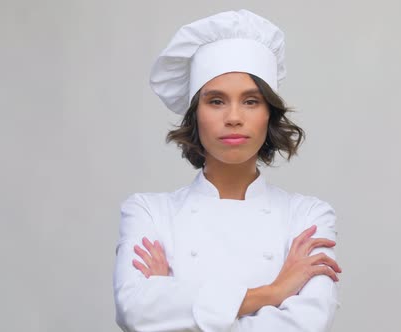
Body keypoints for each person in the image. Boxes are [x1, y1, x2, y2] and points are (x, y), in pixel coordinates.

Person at [113, 9, 342, 332]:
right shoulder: (149, 211)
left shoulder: (308, 216)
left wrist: (175, 311)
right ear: (195, 115)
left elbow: (306, 324)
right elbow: (135, 312)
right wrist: (273, 292)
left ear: (269, 114)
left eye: (251, 101)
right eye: (216, 101)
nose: (234, 117)